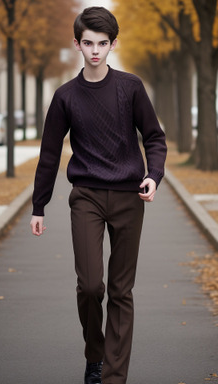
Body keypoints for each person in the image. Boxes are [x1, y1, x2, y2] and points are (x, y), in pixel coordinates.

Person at [30, 6, 167, 384]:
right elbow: (50, 153)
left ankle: (112, 376)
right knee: (91, 286)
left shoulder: (131, 87)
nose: (95, 51)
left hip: (128, 198)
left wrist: (153, 175)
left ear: (113, 44)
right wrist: (38, 206)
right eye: (88, 43)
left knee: (121, 290)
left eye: (102, 44)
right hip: (86, 196)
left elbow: (154, 137)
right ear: (76, 43)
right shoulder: (65, 96)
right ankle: (95, 353)